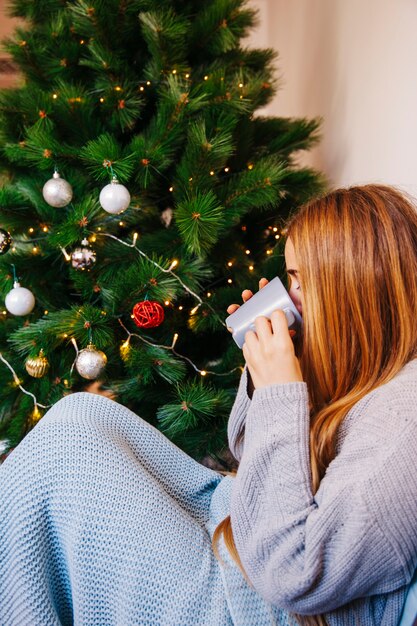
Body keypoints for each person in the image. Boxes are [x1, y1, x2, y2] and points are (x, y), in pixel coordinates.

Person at [0, 184, 416, 626]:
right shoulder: (369, 365)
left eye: (300, 281)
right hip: (242, 527)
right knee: (82, 415)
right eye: (289, 278)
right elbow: (246, 450)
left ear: (350, 292)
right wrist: (265, 373)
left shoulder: (406, 421)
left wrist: (280, 391)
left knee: (65, 452)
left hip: (259, 603)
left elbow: (295, 574)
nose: (287, 294)